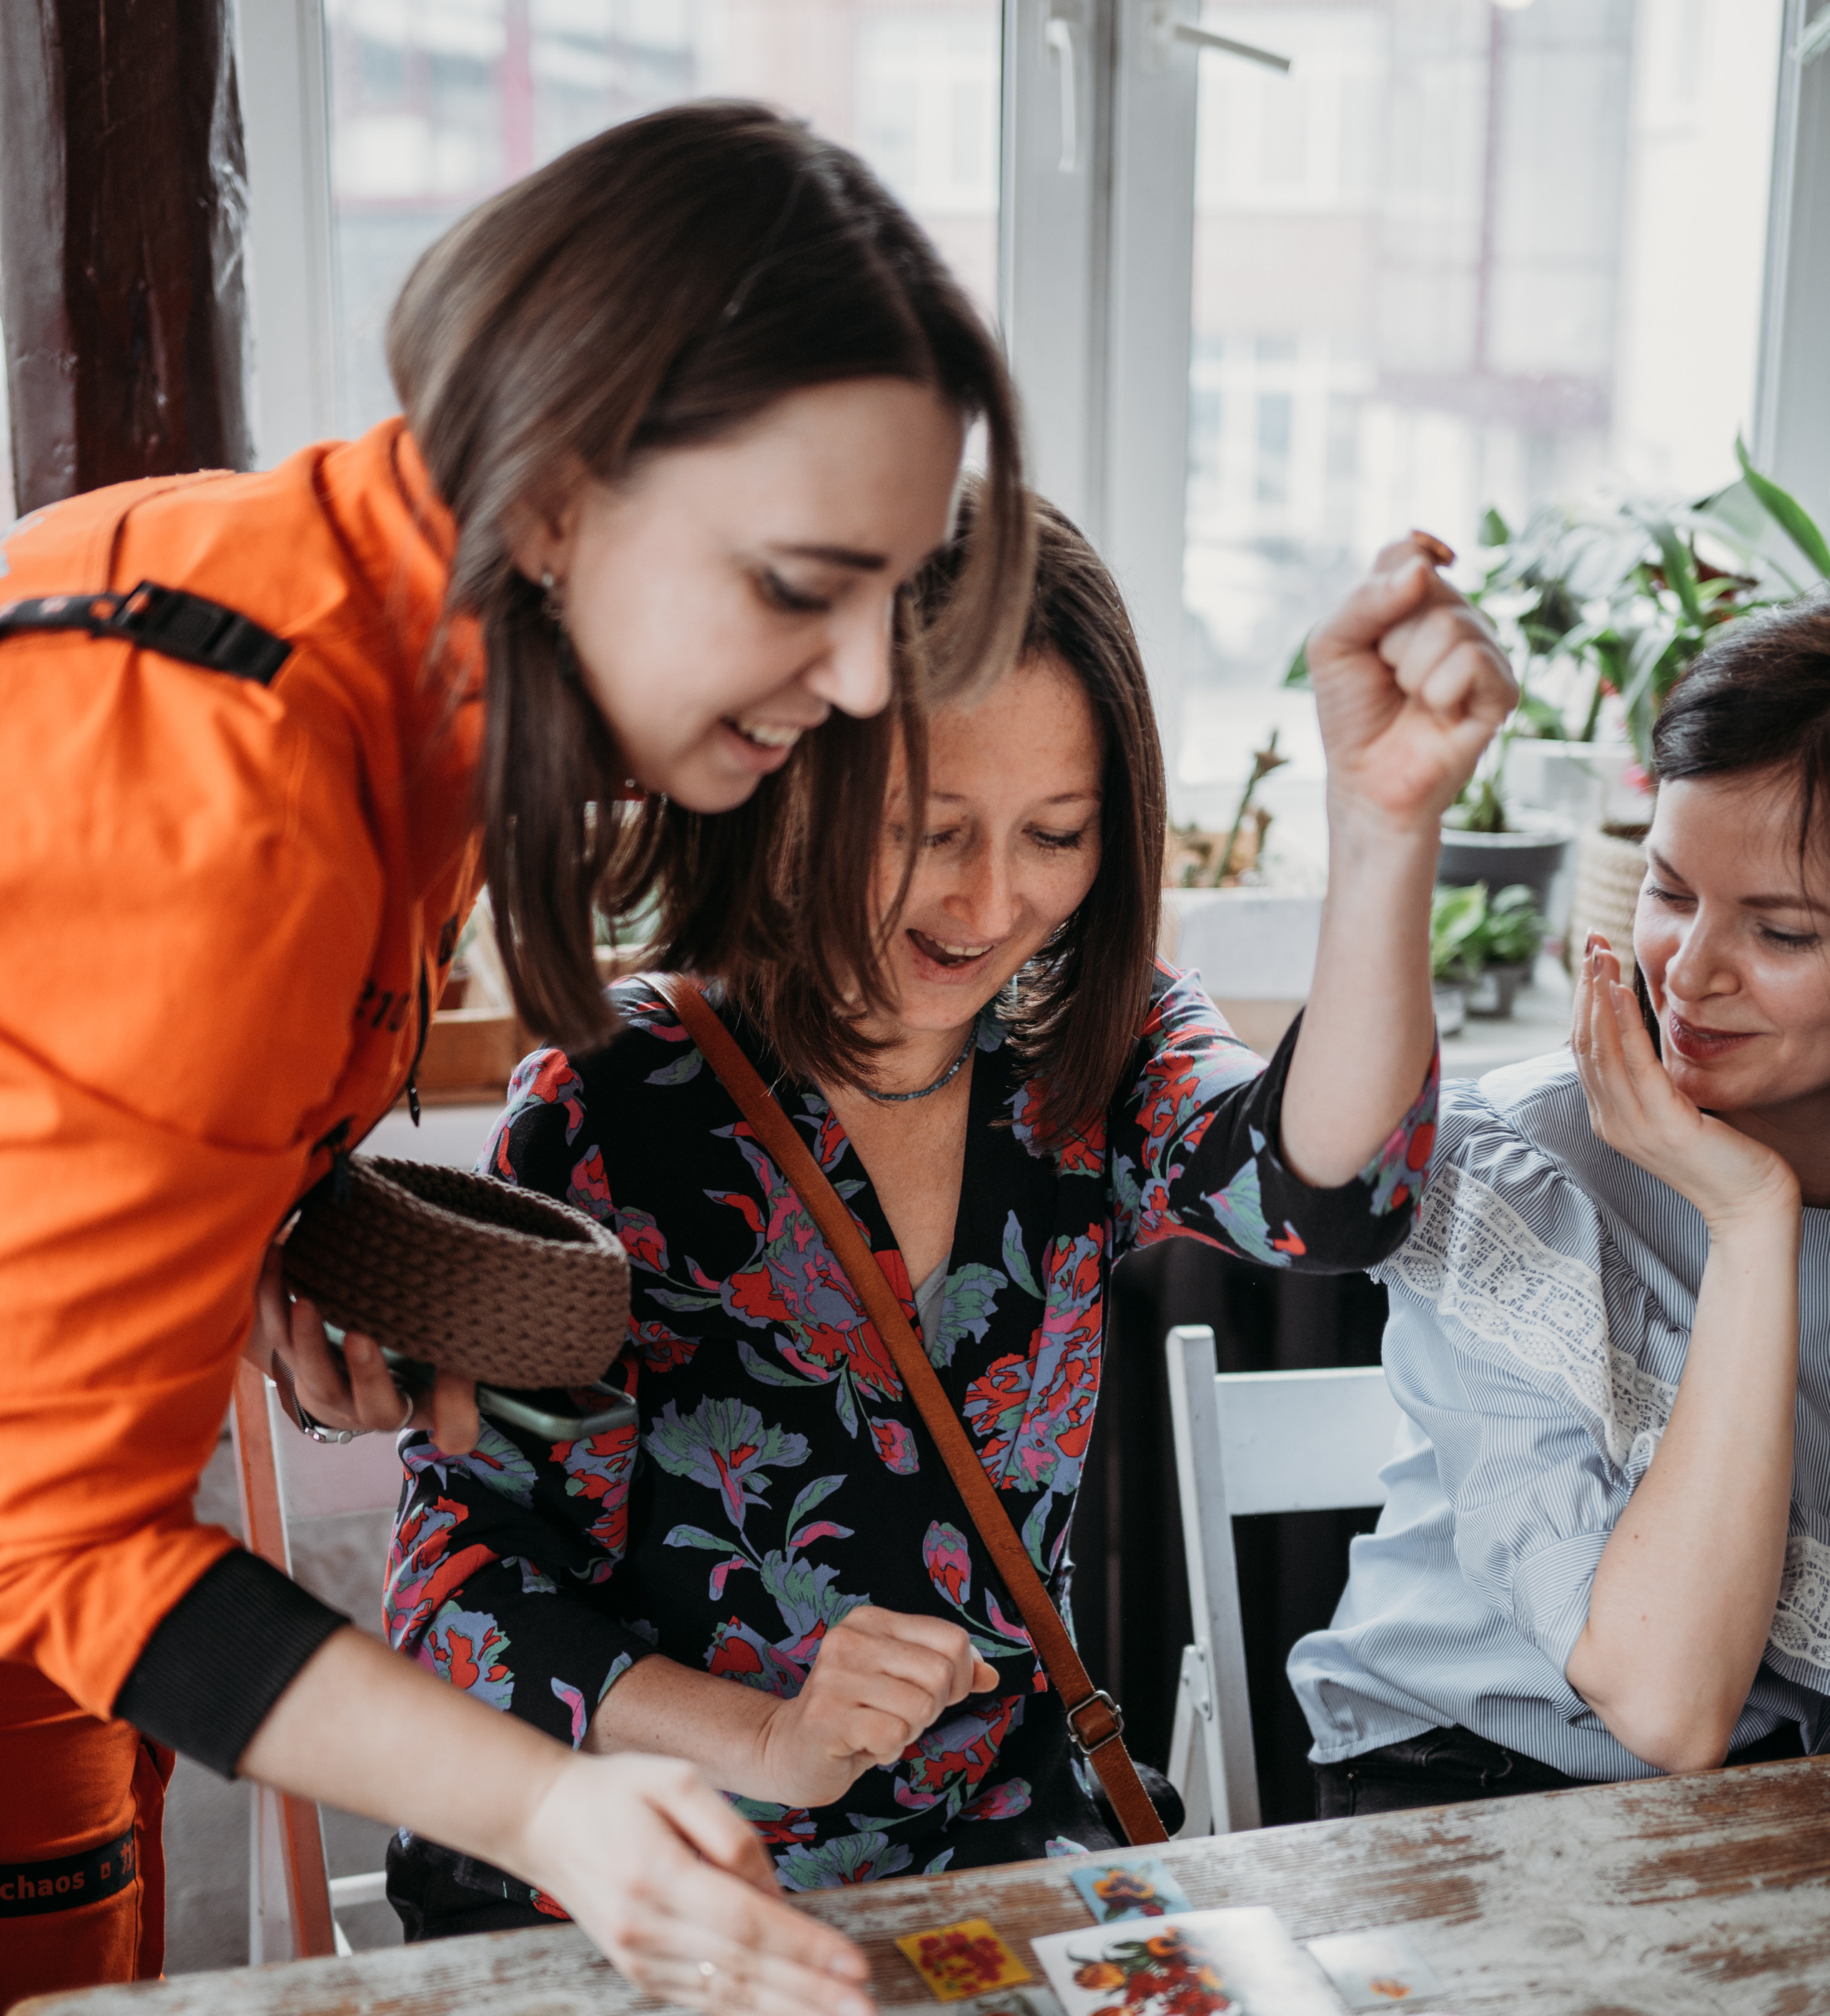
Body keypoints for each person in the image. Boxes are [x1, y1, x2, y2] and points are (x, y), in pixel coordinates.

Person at [0, 100, 1033, 2016]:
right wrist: (555, 1808)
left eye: (893, 595)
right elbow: (54, 1534)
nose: (871, 682)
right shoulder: (236, 789)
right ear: (556, 494)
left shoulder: (386, 637)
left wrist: (282, 1232)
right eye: (804, 586)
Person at [382, 495, 1516, 1932]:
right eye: (927, 831)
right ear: (797, 781)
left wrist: (1383, 823)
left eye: (1055, 834)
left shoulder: (1088, 1052)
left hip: (975, 1883)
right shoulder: (611, 1099)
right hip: (644, 1888)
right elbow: (460, 1592)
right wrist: (769, 1742)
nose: (989, 904)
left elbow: (1325, 1195)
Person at [1292, 594, 1830, 1814]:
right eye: (1671, 890)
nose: (1688, 974)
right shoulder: (1515, 1165)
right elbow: (1668, 1705)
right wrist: (1750, 1221)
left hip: (1777, 1827)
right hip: (1464, 1800)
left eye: (1784, 930)